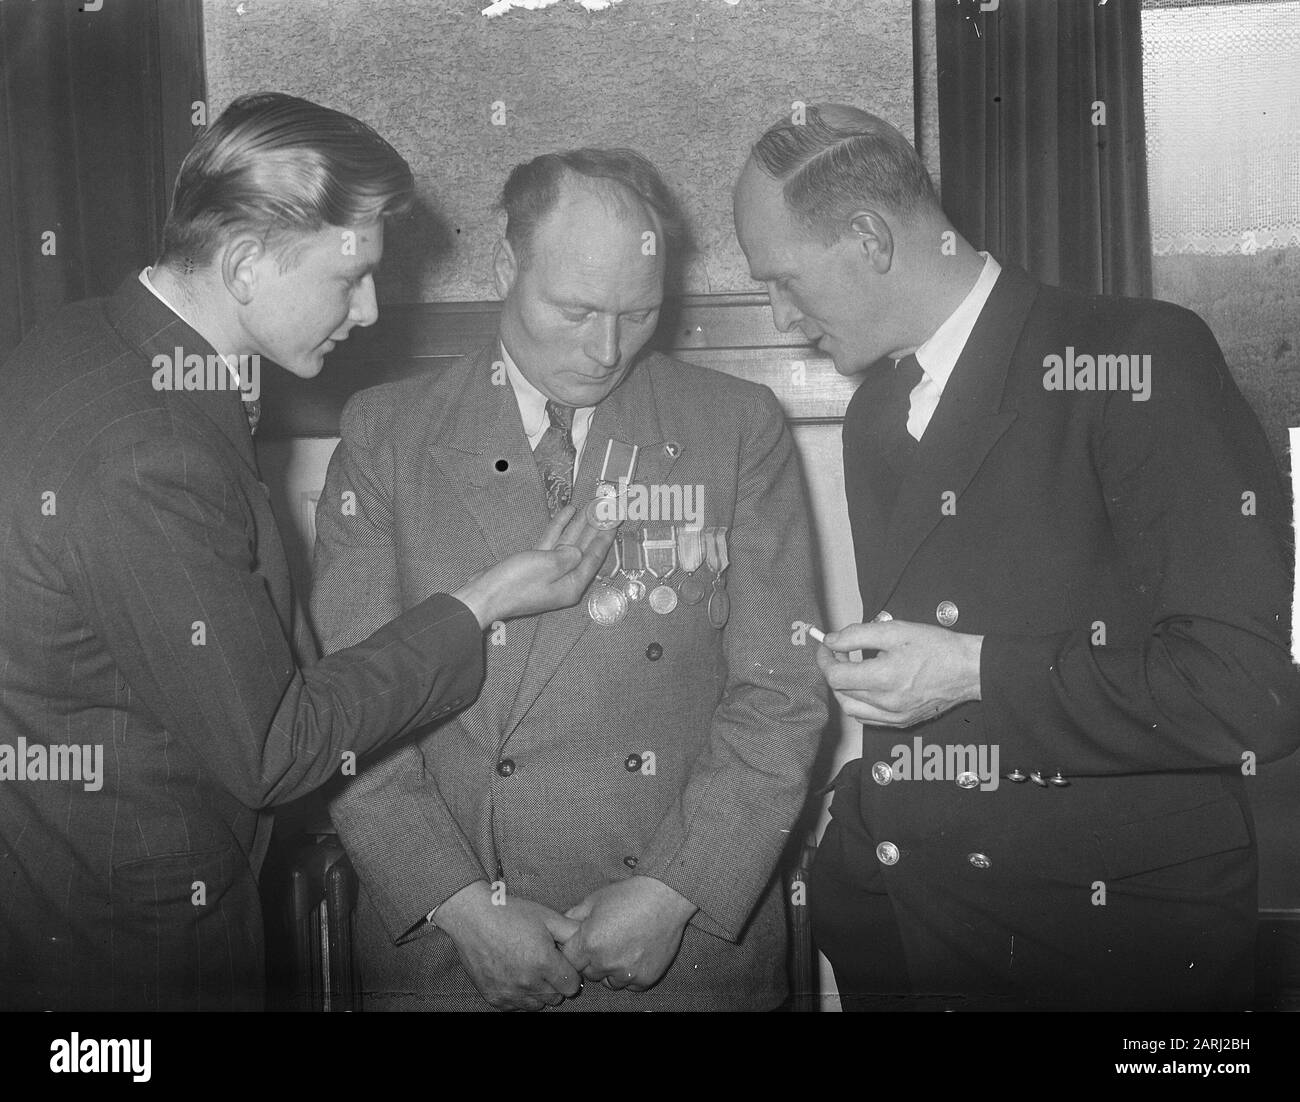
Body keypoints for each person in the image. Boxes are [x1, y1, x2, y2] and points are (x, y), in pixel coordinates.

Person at [0, 92, 613, 1012]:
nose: (368, 310)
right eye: (349, 277)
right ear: (244, 263)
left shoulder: (86, 338)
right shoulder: (150, 454)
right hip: (136, 944)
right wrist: (480, 605)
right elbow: (275, 749)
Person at [733, 103, 1300, 1011]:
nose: (779, 315)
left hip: (1114, 956)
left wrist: (974, 670)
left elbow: (1245, 693)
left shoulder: (1137, 357)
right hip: (907, 943)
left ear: (870, 238)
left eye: (786, 281)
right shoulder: (877, 412)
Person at [311, 147, 828, 1011]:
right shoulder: (387, 435)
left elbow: (783, 691)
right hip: (455, 953)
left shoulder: (735, 429)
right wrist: (462, 908)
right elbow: (346, 714)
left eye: (639, 314)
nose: (606, 349)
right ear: (505, 266)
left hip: (680, 947)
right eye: (576, 309)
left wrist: (677, 889)